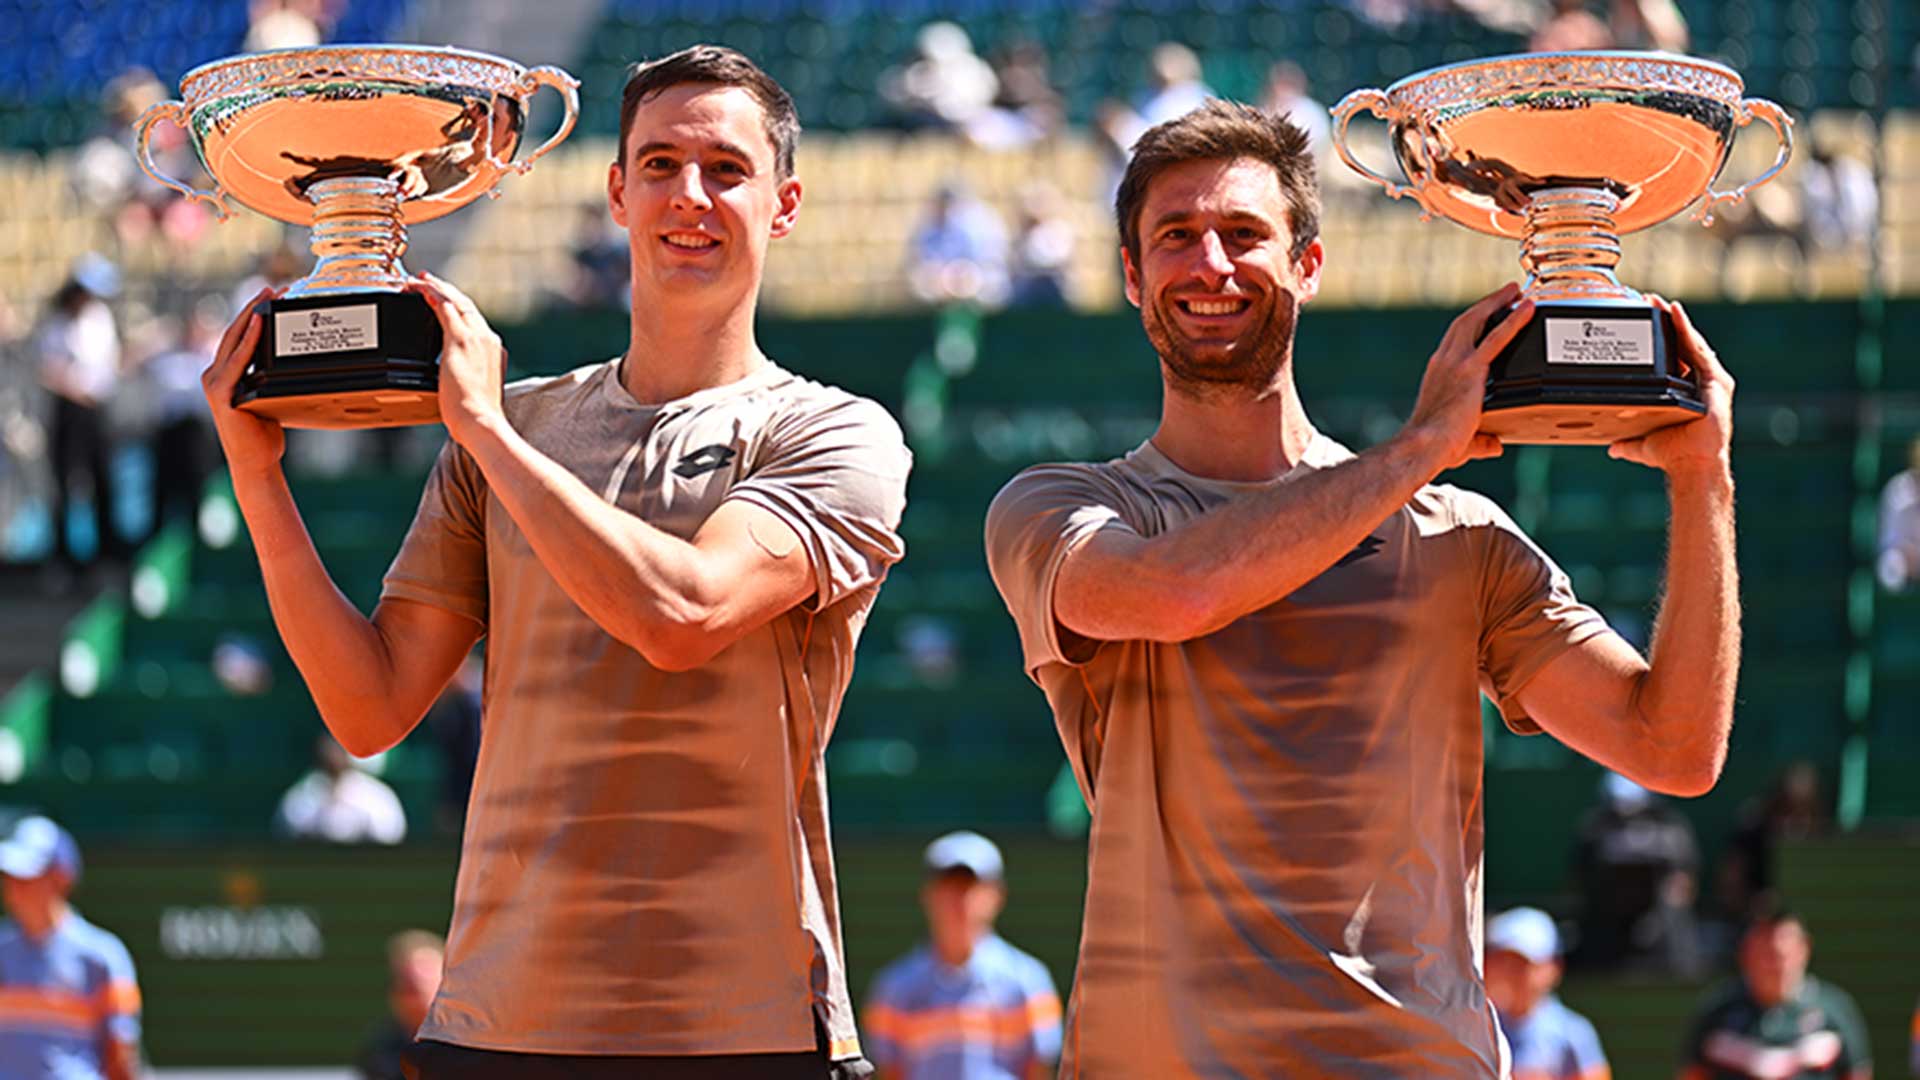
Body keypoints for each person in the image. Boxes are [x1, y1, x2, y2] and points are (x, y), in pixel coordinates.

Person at [984, 100, 1738, 1077]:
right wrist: (1420, 450)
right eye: (1177, 237)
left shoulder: (1457, 537)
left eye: (1246, 234)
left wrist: (1702, 482)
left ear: (1309, 264)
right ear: (1134, 276)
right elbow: (1175, 598)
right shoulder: (1063, 507)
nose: (1211, 263)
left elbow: (1673, 748)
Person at [200, 45, 907, 1079]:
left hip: (734, 1024)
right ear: (618, 192)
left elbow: (685, 614)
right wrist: (256, 476)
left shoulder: (834, 432)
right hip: (501, 1021)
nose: (690, 197)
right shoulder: (512, 425)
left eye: (727, 169)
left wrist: (486, 430)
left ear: (785, 203)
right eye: (660, 166)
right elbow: (368, 708)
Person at [863, 832, 1062, 1080]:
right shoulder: (893, 987)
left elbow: (1039, 1072)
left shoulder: (1030, 981)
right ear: (928, 895)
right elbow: (890, 1073)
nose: (960, 900)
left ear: (997, 895)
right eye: (949, 886)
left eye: (970, 887)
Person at [0, 816, 142, 1080]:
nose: (14, 887)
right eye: (10, 877)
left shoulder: (104, 956)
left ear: (61, 878)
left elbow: (121, 1058)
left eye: (27, 876)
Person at [1679, 906, 1871, 1080]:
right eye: (1765, 954)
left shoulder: (1835, 1010)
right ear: (1746, 953)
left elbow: (1857, 1074)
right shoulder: (1717, 1011)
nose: (1775, 965)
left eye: (1783, 954)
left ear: (1804, 949)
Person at [37, 254, 126, 580]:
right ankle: (63, 558)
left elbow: (107, 363)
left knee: (102, 479)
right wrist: (78, 390)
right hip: (70, 410)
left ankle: (106, 553)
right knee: (64, 483)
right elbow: (50, 370)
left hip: (96, 408)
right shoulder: (56, 322)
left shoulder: (99, 317)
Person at [1571, 771, 1703, 976]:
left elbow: (1684, 885)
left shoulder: (1673, 830)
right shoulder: (1593, 831)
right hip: (1605, 952)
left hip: (1665, 956)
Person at [1484, 907, 1611, 1080]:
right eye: (1504, 961)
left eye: (1524, 963)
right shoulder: (1482, 1027)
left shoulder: (1574, 1033)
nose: (1512, 972)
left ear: (1553, 967)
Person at [274, 734, 409, 845]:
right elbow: (287, 830)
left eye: (337, 750)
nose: (333, 756)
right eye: (328, 750)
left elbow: (391, 833)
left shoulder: (374, 793)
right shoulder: (303, 791)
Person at [356, 930, 444, 1080]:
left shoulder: (478, 1043)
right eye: (408, 987)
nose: (418, 983)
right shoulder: (381, 1051)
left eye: (426, 973)